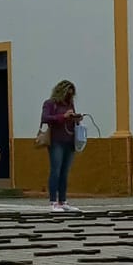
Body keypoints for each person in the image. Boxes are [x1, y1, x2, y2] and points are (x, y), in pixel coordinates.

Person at [40, 79, 82, 213]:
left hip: (69, 141)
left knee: (65, 172)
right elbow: (45, 118)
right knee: (56, 171)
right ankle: (53, 201)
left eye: (71, 94)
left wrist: (75, 118)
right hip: (56, 141)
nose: (69, 96)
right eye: (67, 93)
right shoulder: (50, 104)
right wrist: (62, 116)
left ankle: (63, 200)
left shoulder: (70, 104)